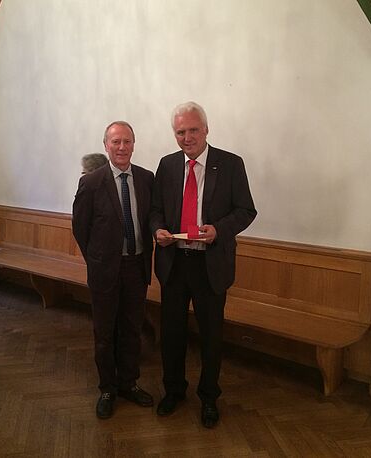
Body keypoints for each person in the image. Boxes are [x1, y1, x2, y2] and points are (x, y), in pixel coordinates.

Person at [150, 102, 257, 428]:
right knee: (172, 333)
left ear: (206, 130)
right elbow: (155, 210)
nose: (187, 137)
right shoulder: (167, 165)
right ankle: (174, 391)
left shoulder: (231, 164)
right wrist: (157, 229)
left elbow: (246, 210)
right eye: (180, 132)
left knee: (211, 336)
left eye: (193, 130)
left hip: (211, 265)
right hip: (174, 263)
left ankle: (209, 397)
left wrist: (219, 230)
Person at [72, 121, 154, 419]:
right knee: (105, 333)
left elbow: (150, 218)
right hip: (105, 270)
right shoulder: (92, 182)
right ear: (106, 145)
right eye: (116, 141)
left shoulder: (146, 178)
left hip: (136, 266)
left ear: (134, 144)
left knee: (132, 329)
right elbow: (80, 228)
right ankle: (107, 388)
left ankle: (128, 383)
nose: (121, 147)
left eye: (127, 141)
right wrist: (96, 261)